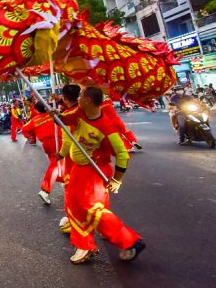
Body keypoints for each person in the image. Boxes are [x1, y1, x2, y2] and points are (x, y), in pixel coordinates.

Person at [58, 87, 144, 264]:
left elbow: (122, 154)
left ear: (88, 100)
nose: (78, 99)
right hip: (79, 169)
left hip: (94, 170)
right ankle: (86, 242)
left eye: (81, 96)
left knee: (89, 208)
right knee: (74, 203)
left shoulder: (106, 127)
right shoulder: (79, 112)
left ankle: (129, 241)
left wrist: (117, 180)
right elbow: (65, 118)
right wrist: (56, 115)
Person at [21, 102, 60, 205]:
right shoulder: (54, 114)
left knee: (58, 165)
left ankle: (68, 182)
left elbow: (24, 129)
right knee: (56, 165)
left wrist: (28, 137)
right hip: (57, 141)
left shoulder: (35, 120)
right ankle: (45, 190)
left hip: (46, 144)